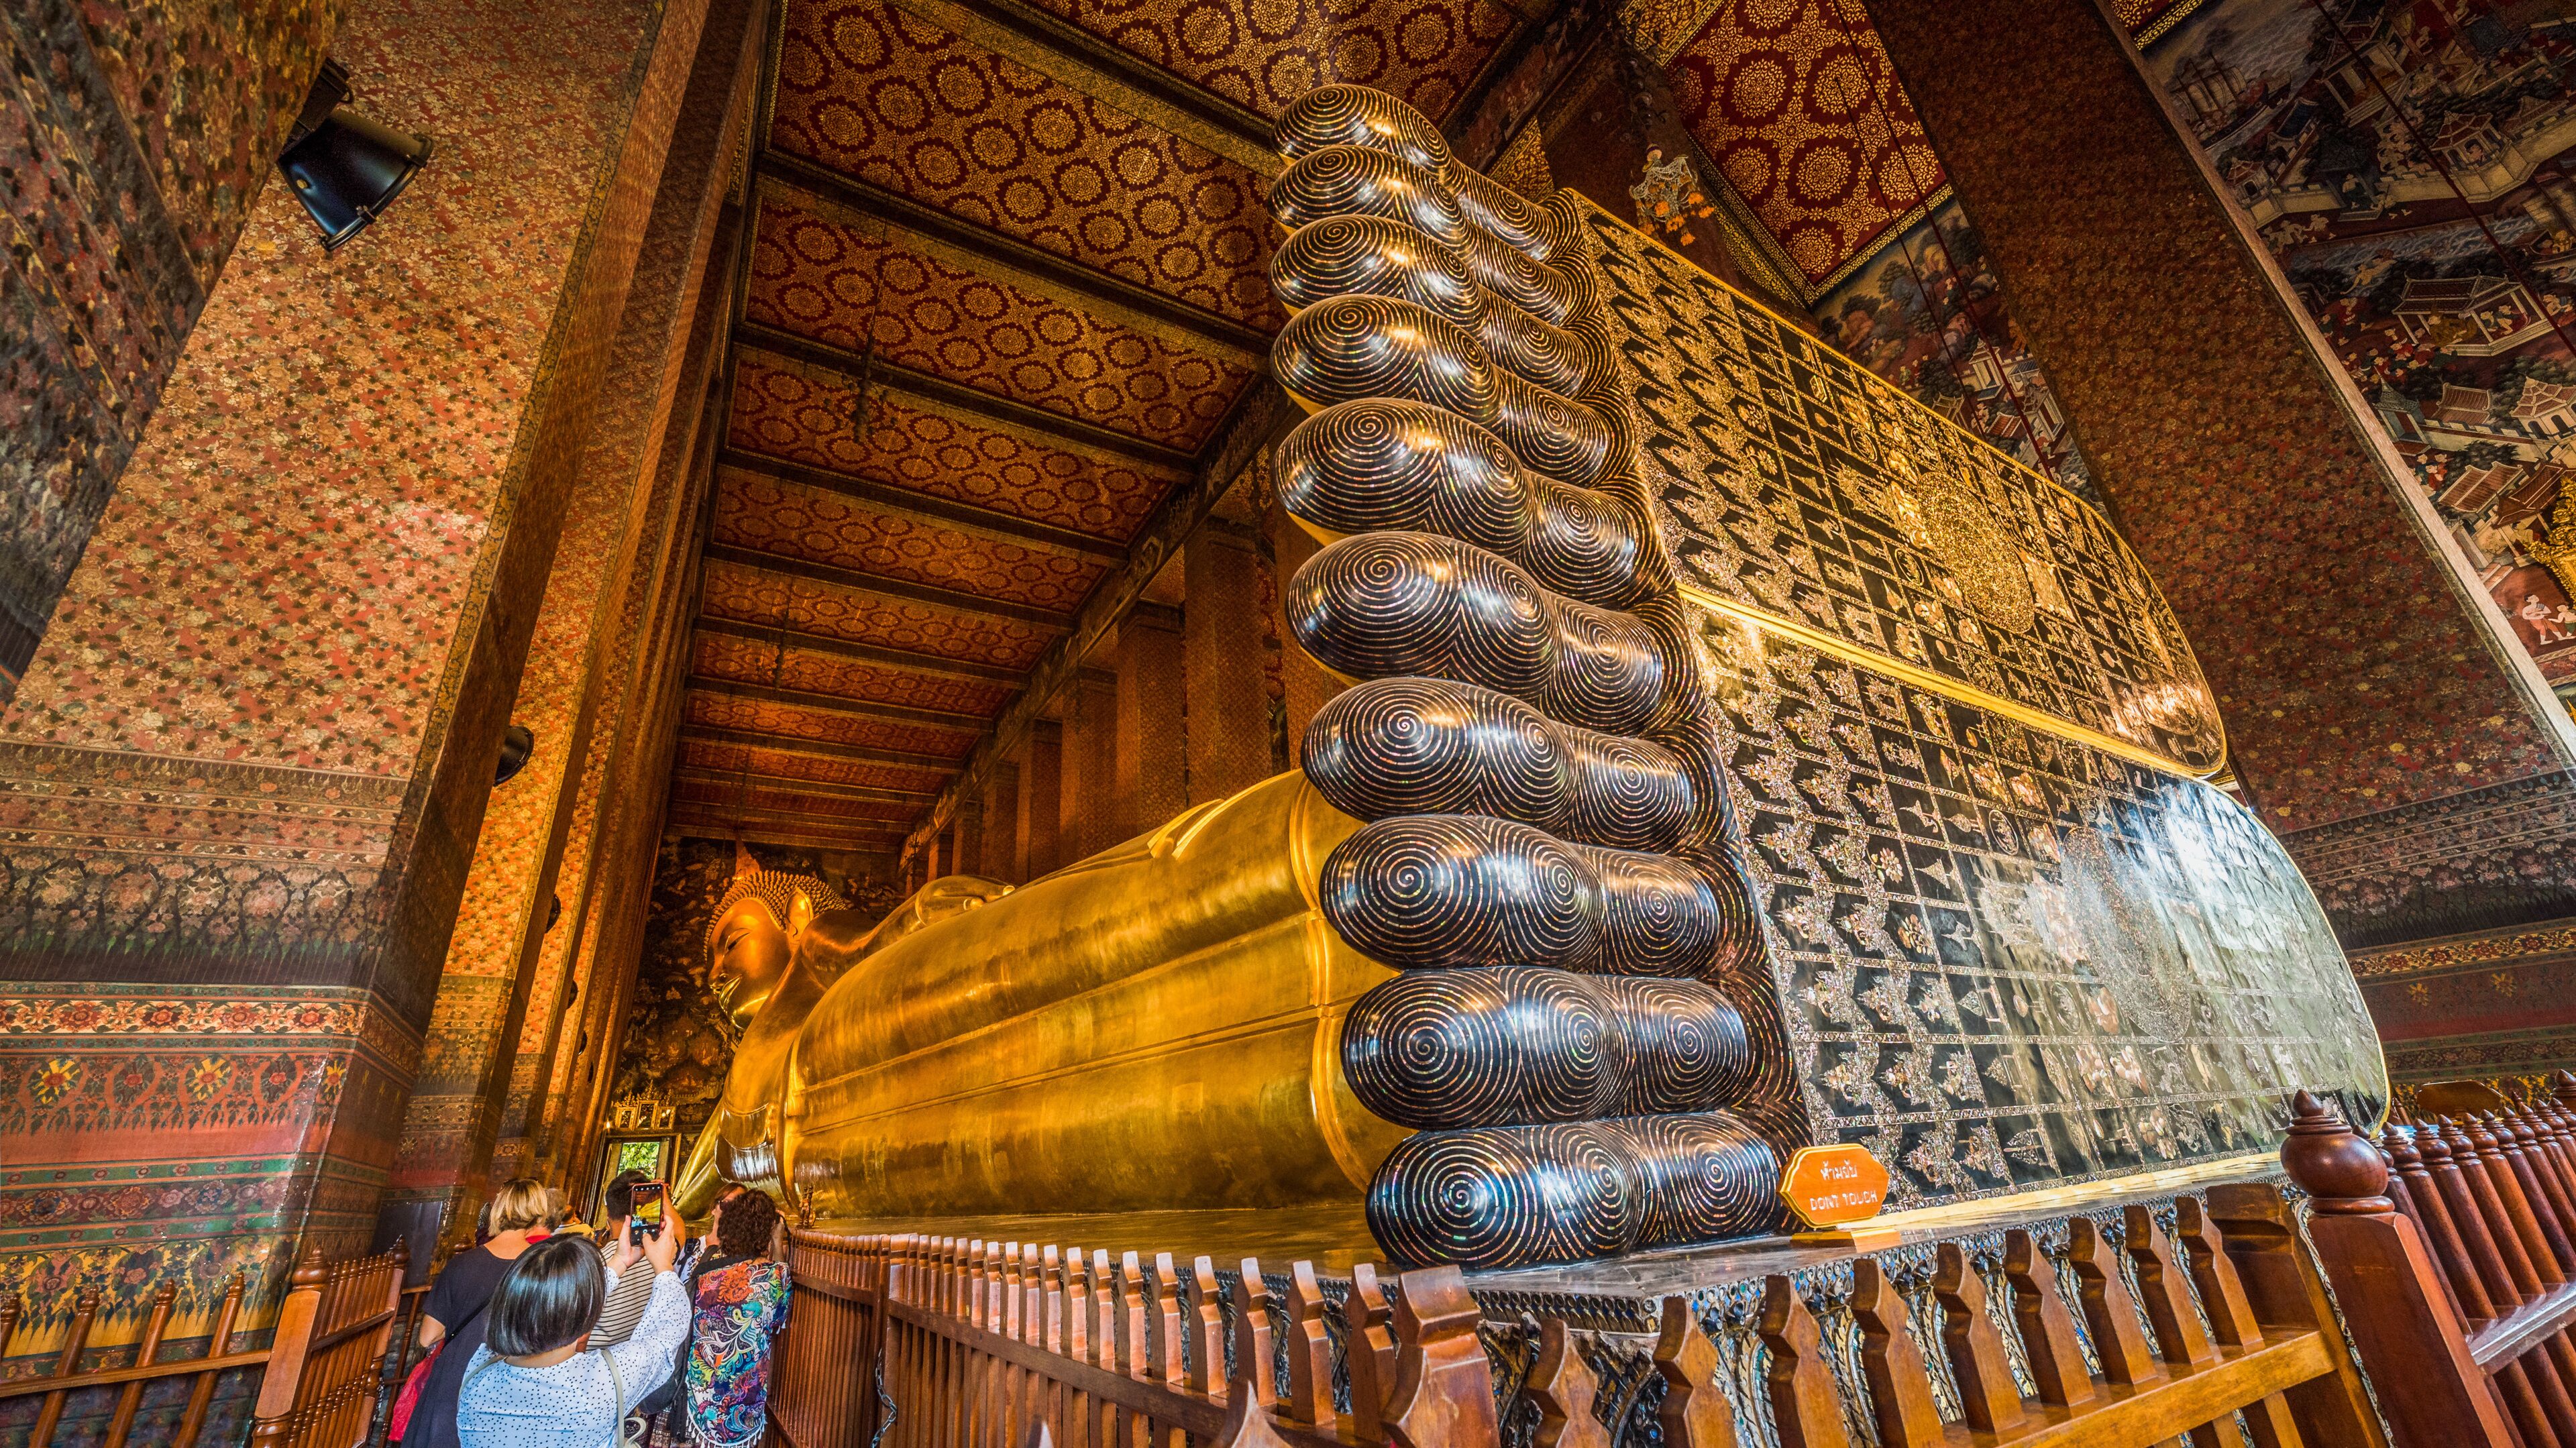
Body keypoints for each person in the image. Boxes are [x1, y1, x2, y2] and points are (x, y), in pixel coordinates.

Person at [458, 1209, 690, 1448]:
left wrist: (620, 1261)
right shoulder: (603, 1382)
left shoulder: (480, 1367)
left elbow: (558, 1304)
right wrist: (664, 1265)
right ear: (586, 1319)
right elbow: (667, 1332)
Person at [405, 1178, 550, 1448]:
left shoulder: (462, 1264)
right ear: (538, 1212)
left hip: (454, 1380)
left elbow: (427, 1337)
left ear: (498, 1210)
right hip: (511, 1384)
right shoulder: (544, 1271)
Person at [680, 1192, 790, 1448]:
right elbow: (780, 1318)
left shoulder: (707, 1269)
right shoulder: (773, 1276)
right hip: (744, 1398)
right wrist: (777, 1239)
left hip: (701, 1391)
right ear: (765, 1231)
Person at [589, 1171, 657, 1348]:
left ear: (608, 1214)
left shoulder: (593, 1264)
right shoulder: (660, 1258)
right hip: (642, 1353)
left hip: (597, 1356)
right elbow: (679, 1234)